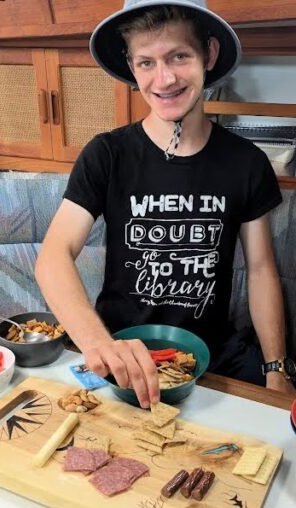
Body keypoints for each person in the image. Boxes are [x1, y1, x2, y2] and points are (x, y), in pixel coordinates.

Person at [36, 0, 296, 408]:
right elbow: (54, 255)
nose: (165, 79)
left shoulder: (247, 163)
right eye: (146, 62)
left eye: (179, 56)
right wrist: (100, 345)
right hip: (119, 348)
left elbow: (262, 268)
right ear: (131, 66)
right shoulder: (106, 154)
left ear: (208, 54)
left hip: (211, 358)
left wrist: (276, 369)